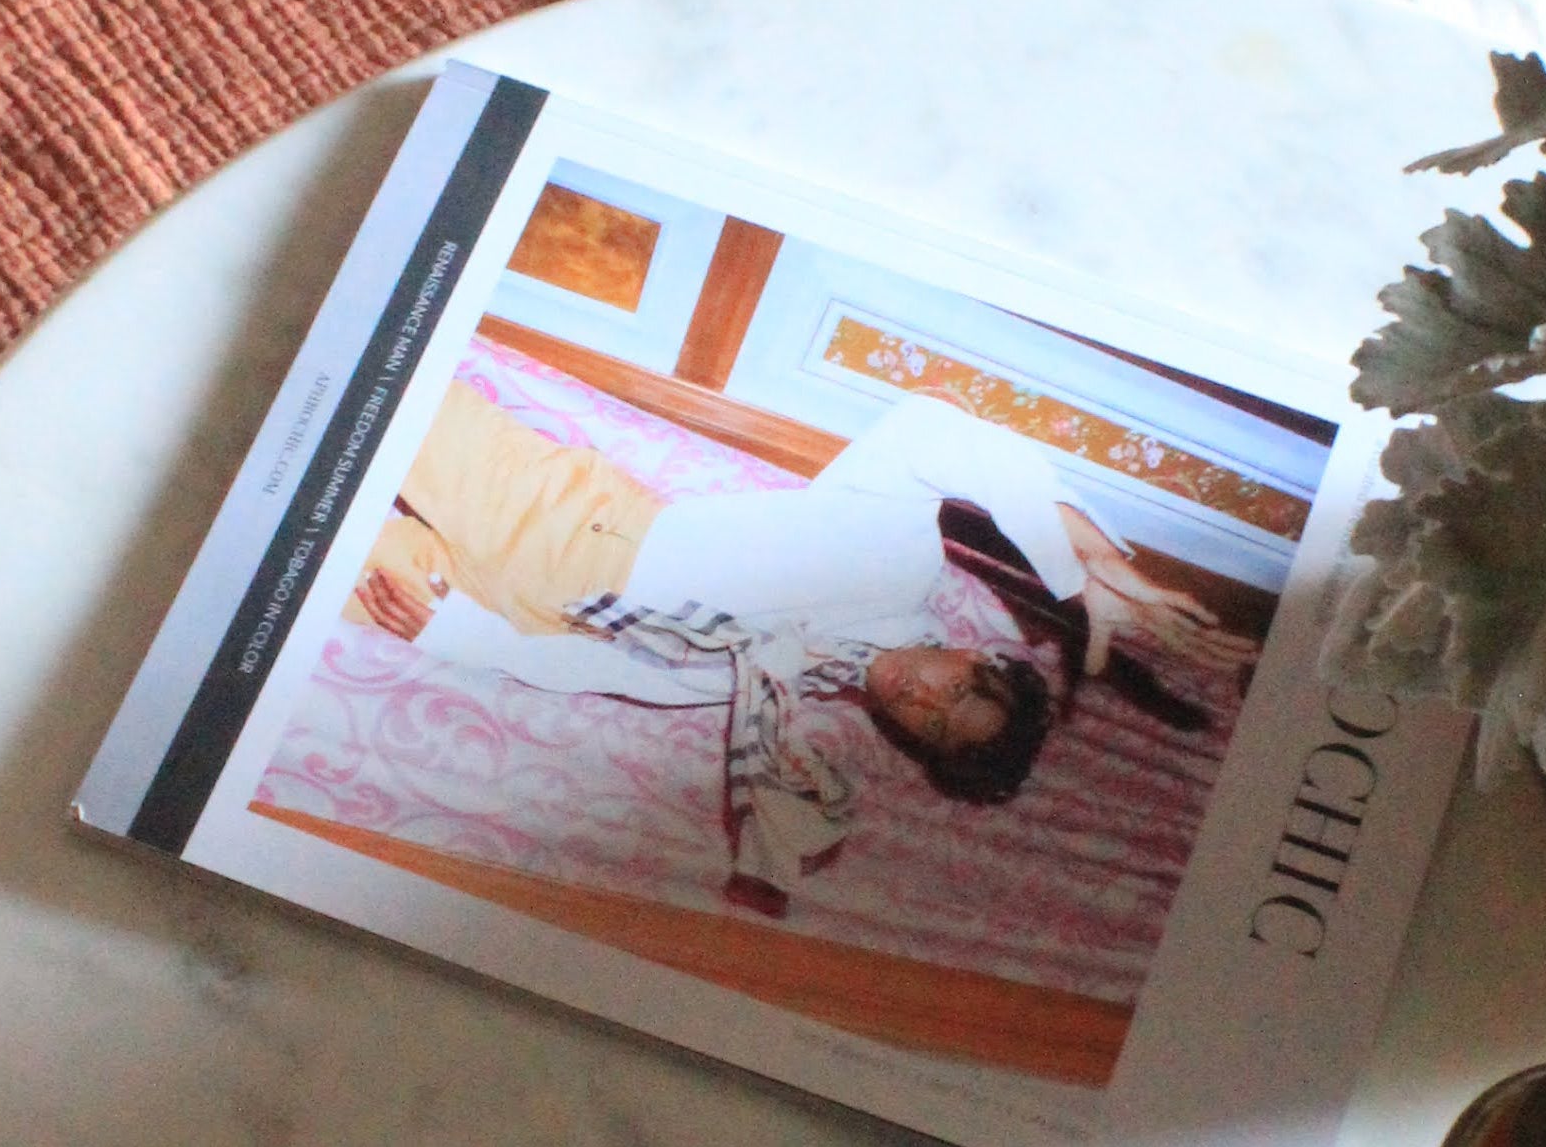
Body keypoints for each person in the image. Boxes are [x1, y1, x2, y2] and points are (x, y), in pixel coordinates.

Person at [344, 382, 1214, 909]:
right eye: (959, 691)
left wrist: (457, 633)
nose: (924, 697)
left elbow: (607, 671)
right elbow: (929, 432)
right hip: (571, 522)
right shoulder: (898, 571)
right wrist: (1076, 564)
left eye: (933, 727)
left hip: (525, 614)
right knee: (364, 392)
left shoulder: (777, 692)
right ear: (977, 658)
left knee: (302, 543)